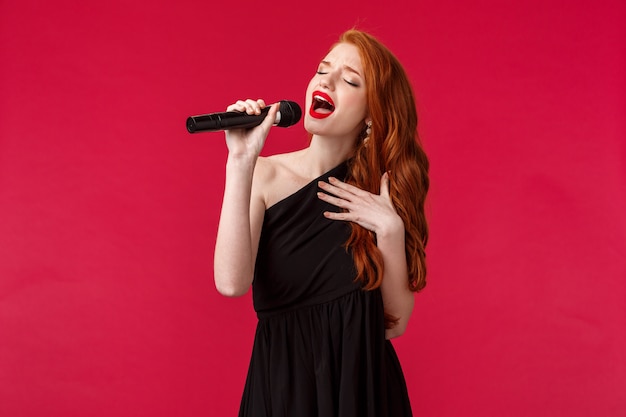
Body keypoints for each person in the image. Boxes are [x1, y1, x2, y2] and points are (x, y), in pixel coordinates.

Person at [213, 28, 429, 417]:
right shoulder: (262, 174)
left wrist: (390, 231)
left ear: (372, 114)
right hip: (283, 387)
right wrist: (240, 161)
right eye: (322, 70)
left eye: (349, 80)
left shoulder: (378, 197)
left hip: (365, 391)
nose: (325, 81)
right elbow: (231, 283)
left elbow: (393, 325)